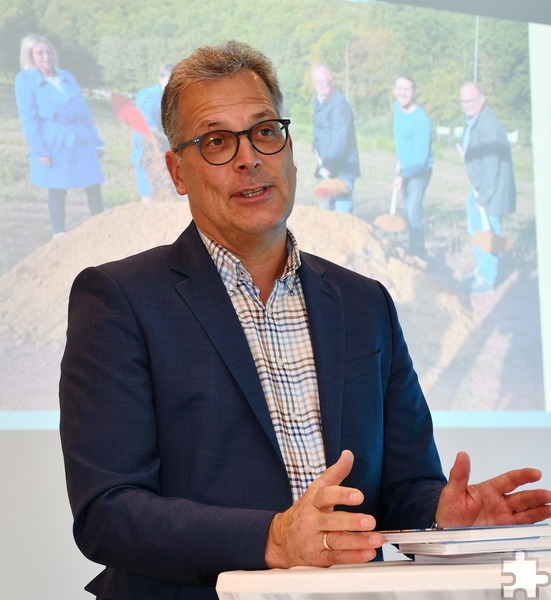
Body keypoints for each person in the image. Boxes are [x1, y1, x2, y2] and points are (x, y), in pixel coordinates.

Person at [59, 41, 551, 600]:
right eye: (217, 141)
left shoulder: (365, 303)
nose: (250, 158)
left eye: (265, 131)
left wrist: (442, 517)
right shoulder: (120, 298)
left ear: (290, 150)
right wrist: (272, 539)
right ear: (176, 171)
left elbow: (404, 488)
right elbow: (107, 511)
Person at [14, 34, 104, 237]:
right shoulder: (25, 80)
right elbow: (29, 119)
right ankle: (59, 233)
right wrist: (39, 149)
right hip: (53, 139)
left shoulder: (66, 77)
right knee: (57, 186)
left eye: (49, 52)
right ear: (31, 56)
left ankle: (101, 225)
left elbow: (84, 112)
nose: (46, 56)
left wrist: (96, 141)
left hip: (79, 136)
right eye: (40, 53)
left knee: (92, 181)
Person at [458, 81, 516, 294]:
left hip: (490, 192)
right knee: (477, 231)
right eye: (463, 101)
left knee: (488, 234)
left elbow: (493, 167)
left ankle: (487, 280)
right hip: (479, 188)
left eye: (471, 100)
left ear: (482, 99)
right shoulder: (474, 120)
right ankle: (481, 271)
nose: (467, 105)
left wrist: (484, 198)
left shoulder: (489, 125)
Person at [392, 74, 434, 258]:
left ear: (414, 92)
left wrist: (403, 175)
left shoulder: (421, 120)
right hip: (405, 168)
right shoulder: (396, 109)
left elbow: (421, 158)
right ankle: (411, 247)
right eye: (400, 89)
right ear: (395, 91)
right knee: (408, 209)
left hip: (419, 171)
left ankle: (419, 252)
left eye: (407, 89)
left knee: (413, 210)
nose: (403, 93)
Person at [311, 64, 360, 213]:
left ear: (331, 81)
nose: (320, 85)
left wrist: (328, 166)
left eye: (323, 81)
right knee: (324, 214)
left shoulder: (339, 105)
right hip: (325, 164)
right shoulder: (320, 101)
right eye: (316, 82)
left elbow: (339, 138)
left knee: (341, 215)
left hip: (341, 169)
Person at [131, 63, 173, 202]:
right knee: (149, 182)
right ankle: (147, 206)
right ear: (160, 78)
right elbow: (142, 118)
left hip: (166, 143)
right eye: (168, 79)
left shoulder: (174, 97)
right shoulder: (148, 95)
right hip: (149, 143)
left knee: (168, 184)